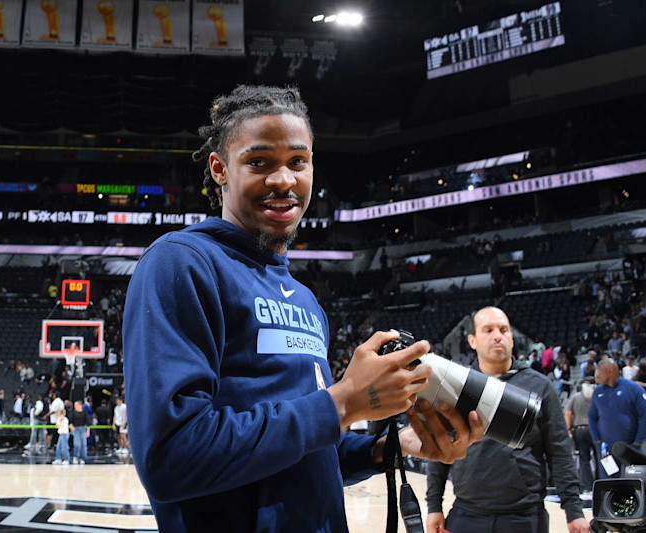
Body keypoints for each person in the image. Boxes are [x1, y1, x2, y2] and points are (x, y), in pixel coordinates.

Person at [123, 85, 483, 533]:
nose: (283, 180)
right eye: (259, 162)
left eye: (298, 161)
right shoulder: (182, 263)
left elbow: (306, 451)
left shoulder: (307, 301)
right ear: (220, 169)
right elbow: (172, 456)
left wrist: (391, 448)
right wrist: (343, 403)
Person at [425, 307, 588, 533]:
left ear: (511, 338)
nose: (497, 336)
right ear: (472, 340)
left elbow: (559, 450)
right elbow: (440, 448)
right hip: (467, 513)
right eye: (488, 330)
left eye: (504, 330)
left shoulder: (540, 386)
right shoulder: (456, 387)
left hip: (525, 517)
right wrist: (434, 506)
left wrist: (574, 510)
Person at [588, 359, 646, 478]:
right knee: (609, 486)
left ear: (610, 371)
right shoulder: (598, 392)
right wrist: (597, 439)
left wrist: (638, 441)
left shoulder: (633, 389)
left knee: (638, 482)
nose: (596, 377)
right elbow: (592, 417)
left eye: (599, 373)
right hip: (606, 449)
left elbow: (645, 415)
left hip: (630, 447)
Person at [565, 380, 597, 496]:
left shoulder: (575, 397)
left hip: (580, 430)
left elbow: (568, 413)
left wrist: (568, 429)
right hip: (595, 430)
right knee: (599, 459)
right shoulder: (595, 397)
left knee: (584, 459)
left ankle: (587, 487)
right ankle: (599, 484)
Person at [71, 400, 89, 464]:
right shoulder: (73, 413)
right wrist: (71, 427)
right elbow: (71, 422)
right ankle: (76, 456)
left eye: (77, 405)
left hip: (83, 429)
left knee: (83, 444)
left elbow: (87, 423)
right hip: (76, 429)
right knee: (77, 444)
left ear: (80, 405)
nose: (75, 406)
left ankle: (82, 458)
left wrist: (88, 431)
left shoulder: (84, 413)